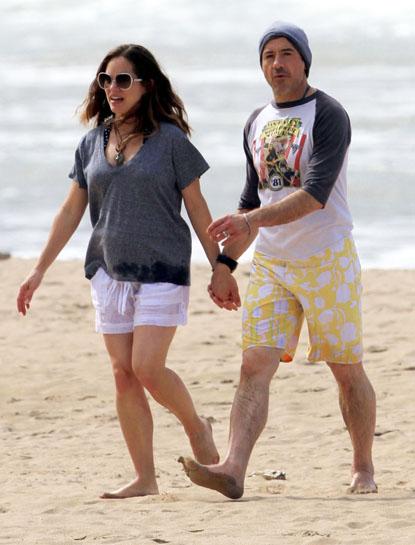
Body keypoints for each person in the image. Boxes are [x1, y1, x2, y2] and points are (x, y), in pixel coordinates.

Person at [16, 43, 230, 499]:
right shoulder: (92, 142)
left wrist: (221, 267)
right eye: (106, 80)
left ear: (145, 85)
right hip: (108, 270)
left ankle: (197, 425)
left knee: (147, 367)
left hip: (162, 267)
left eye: (123, 80)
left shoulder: (170, 140)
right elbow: (72, 209)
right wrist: (38, 270)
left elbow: (196, 206)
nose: (112, 88)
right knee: (122, 373)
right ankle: (145, 478)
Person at [179, 21, 377, 498]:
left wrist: (251, 222)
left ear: (305, 61)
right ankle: (233, 469)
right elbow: (251, 200)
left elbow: (314, 196)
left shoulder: (328, 114)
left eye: (287, 53)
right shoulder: (256, 121)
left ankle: (363, 467)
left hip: (327, 258)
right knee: (254, 365)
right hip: (271, 264)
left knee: (345, 367)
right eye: (269, 55)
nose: (278, 63)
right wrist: (225, 266)